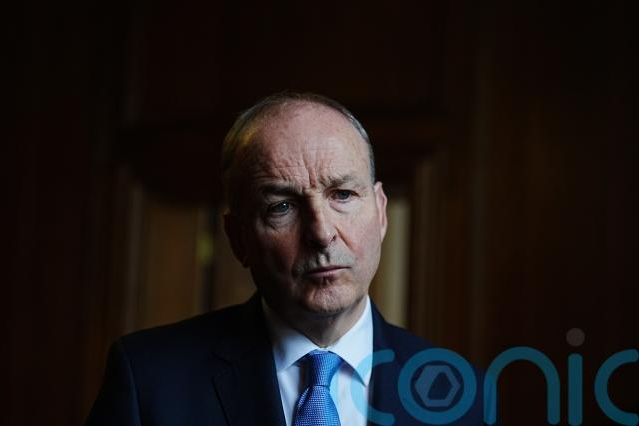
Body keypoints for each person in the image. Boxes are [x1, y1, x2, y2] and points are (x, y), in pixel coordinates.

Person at [87, 92, 493, 425]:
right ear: (238, 238)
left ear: (381, 212)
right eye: (282, 206)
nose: (321, 232)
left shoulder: (462, 396)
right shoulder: (149, 382)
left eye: (343, 195)